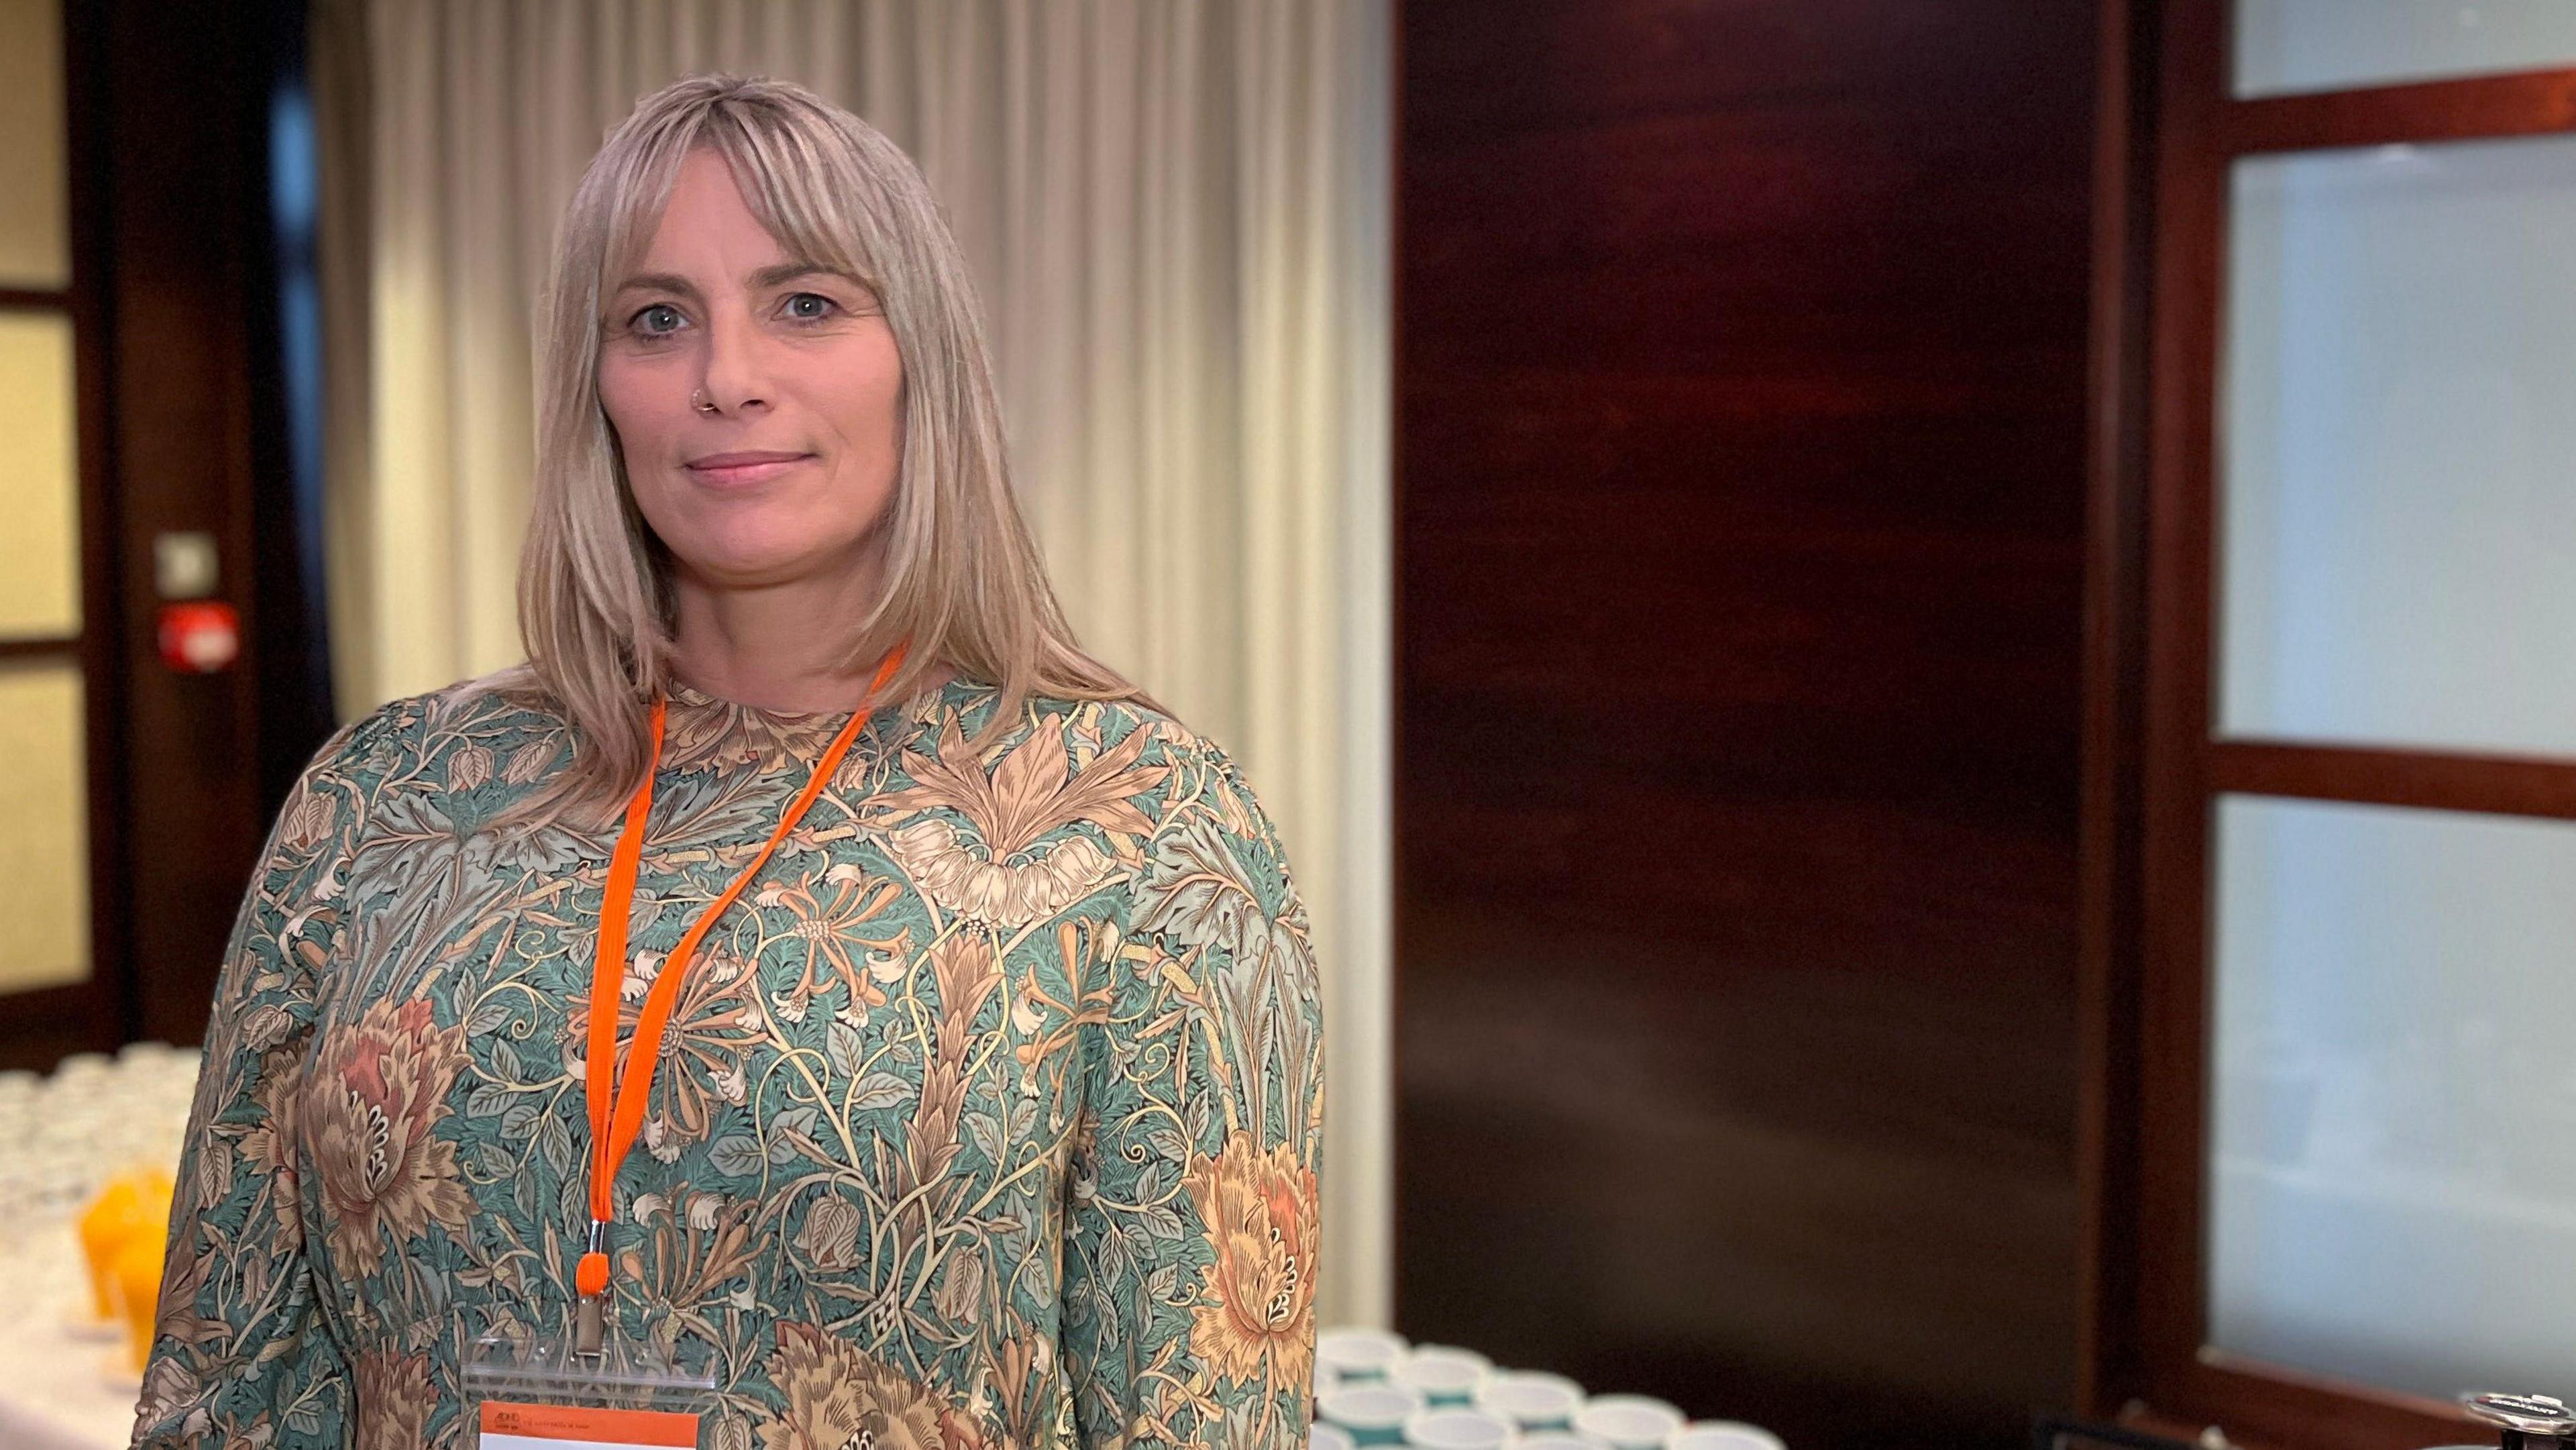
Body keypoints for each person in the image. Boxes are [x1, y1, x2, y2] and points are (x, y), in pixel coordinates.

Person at [131, 73, 1322, 1450]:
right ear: (598, 385)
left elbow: (1204, 1420)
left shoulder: (1142, 825)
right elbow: (232, 1383)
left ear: (919, 356)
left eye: (805, 303)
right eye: (657, 319)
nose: (727, 376)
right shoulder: (384, 799)